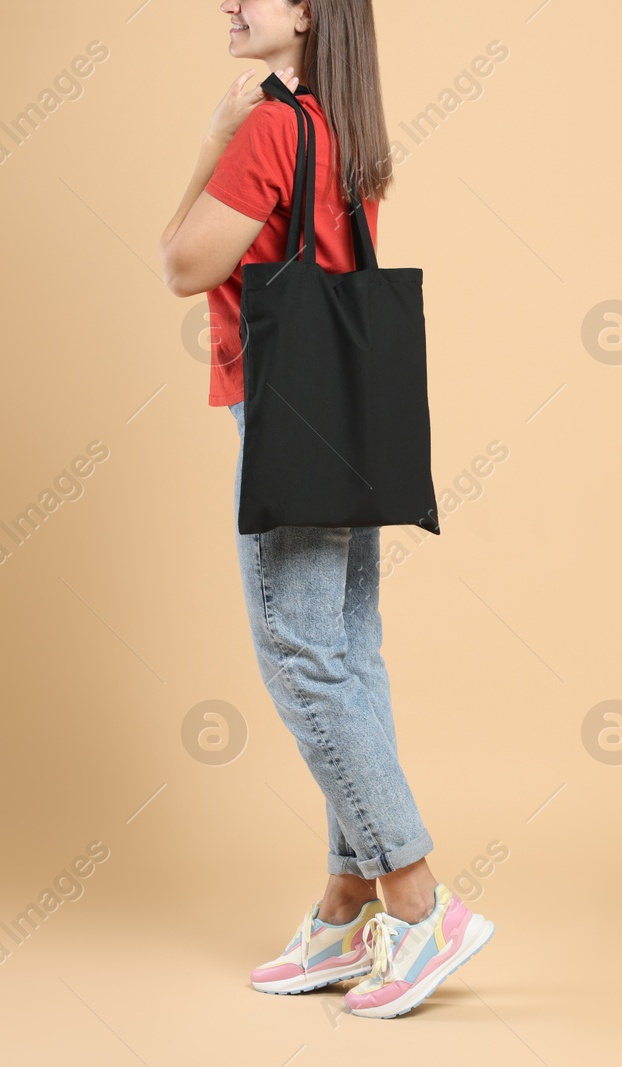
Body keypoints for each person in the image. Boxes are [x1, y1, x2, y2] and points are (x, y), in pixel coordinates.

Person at [157, 0, 494, 1020]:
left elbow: (181, 262)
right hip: (349, 410)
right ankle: (348, 907)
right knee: (347, 648)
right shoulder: (340, 126)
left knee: (300, 651)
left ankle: (418, 898)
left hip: (288, 412)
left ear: (305, 11)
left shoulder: (268, 127)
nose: (229, 3)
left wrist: (215, 134)